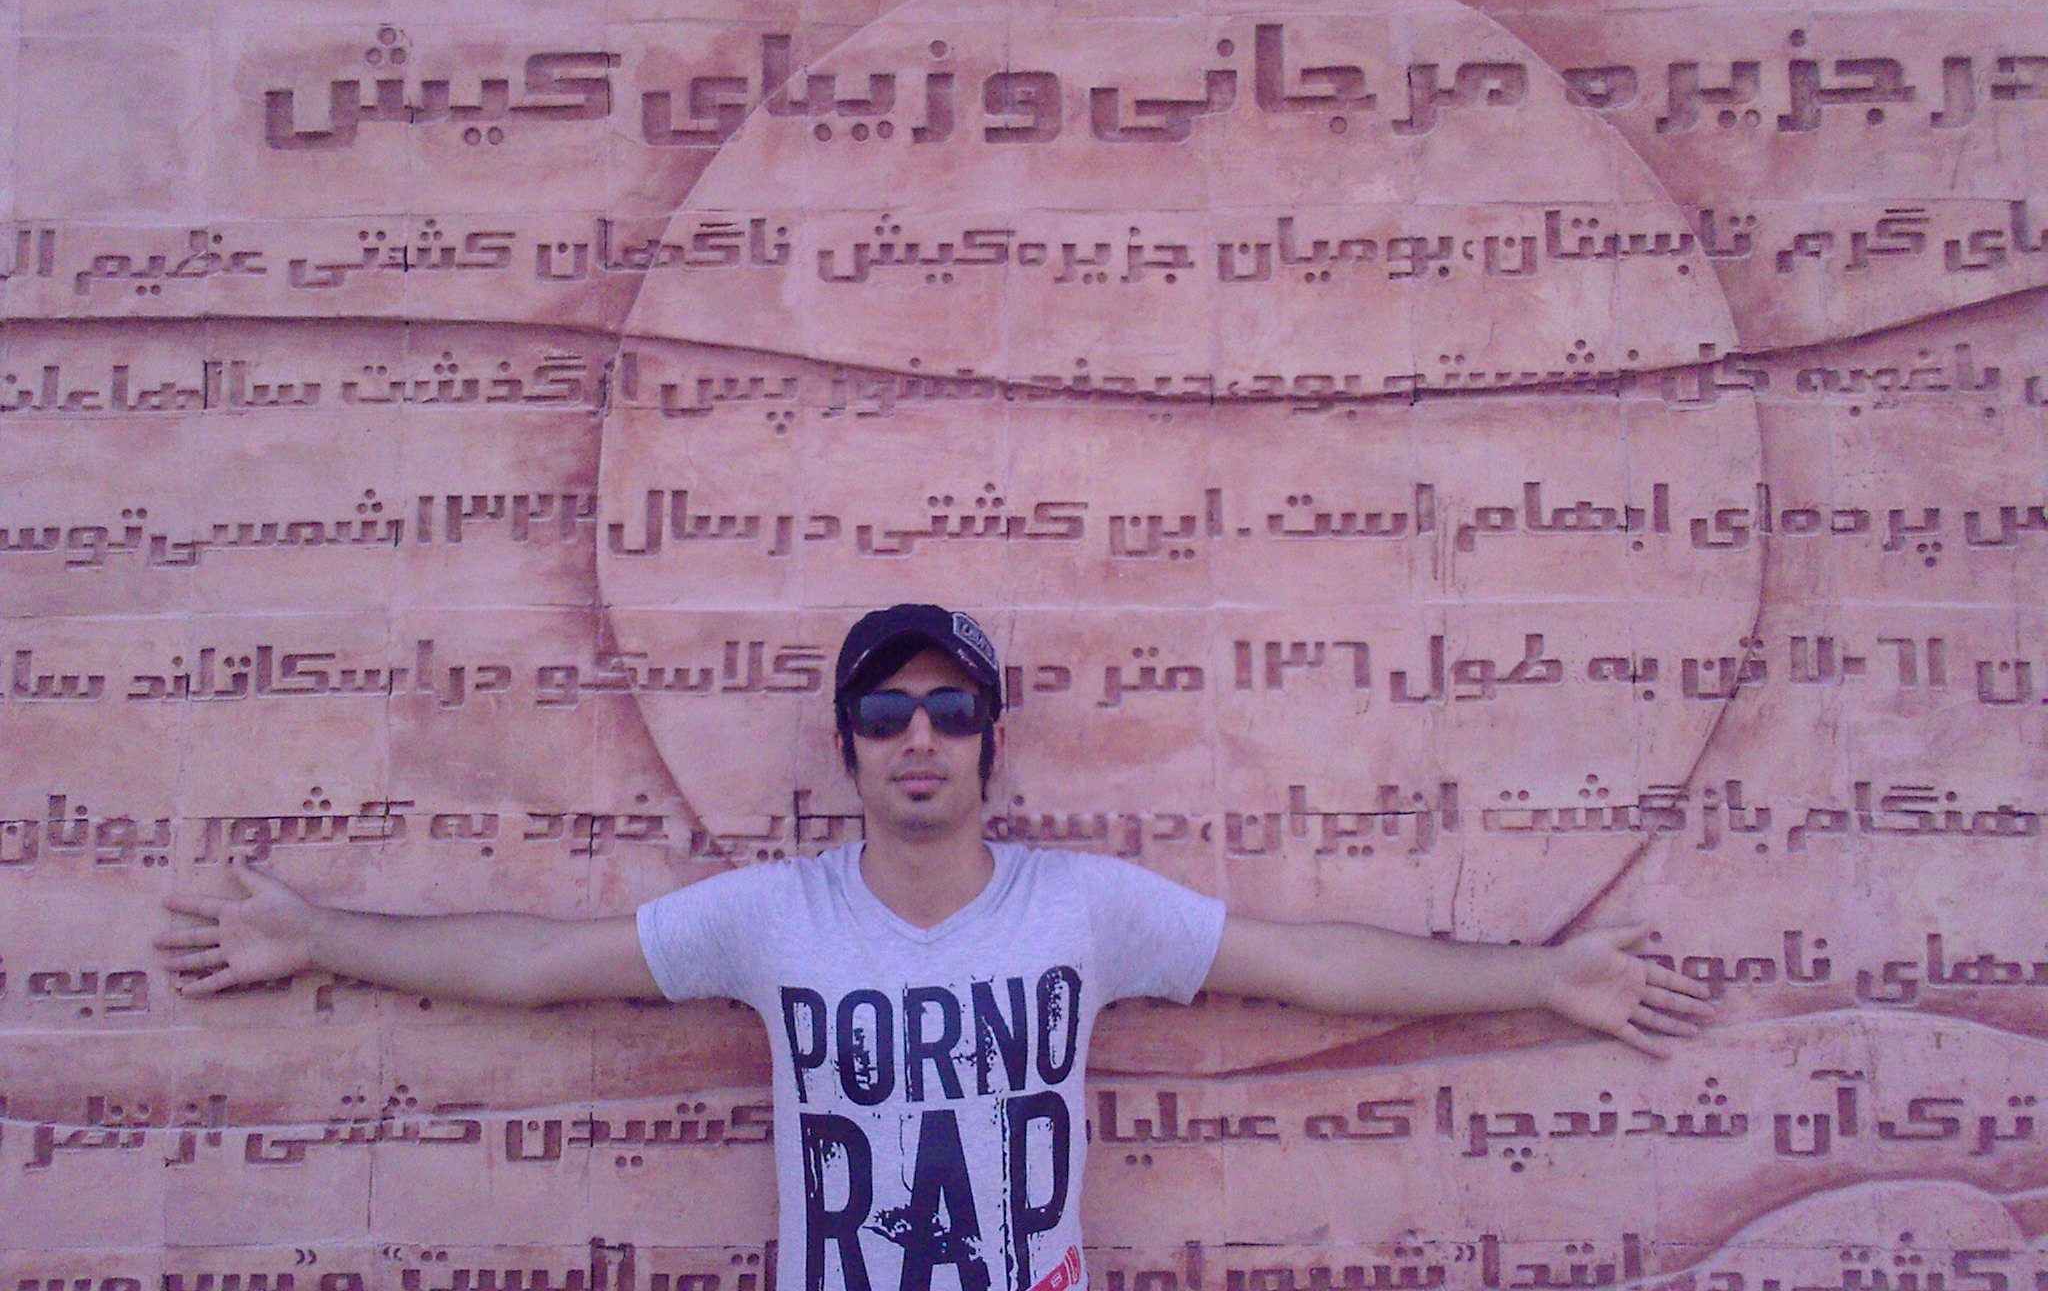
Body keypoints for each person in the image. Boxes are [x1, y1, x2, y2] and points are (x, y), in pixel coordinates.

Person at [157, 604, 1709, 1291]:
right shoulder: (772, 917)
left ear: (989, 741)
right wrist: (323, 940)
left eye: (951, 709)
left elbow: (1308, 964)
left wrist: (1541, 976)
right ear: (847, 744)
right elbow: (545, 965)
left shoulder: (1082, 907)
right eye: (887, 712)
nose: (920, 737)